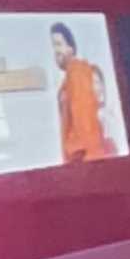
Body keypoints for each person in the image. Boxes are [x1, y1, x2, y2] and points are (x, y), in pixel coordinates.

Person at [50, 23, 114, 164]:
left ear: (71, 48)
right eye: (53, 46)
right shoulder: (67, 81)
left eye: (58, 44)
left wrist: (91, 160)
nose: (55, 50)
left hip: (85, 159)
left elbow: (85, 118)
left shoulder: (77, 71)